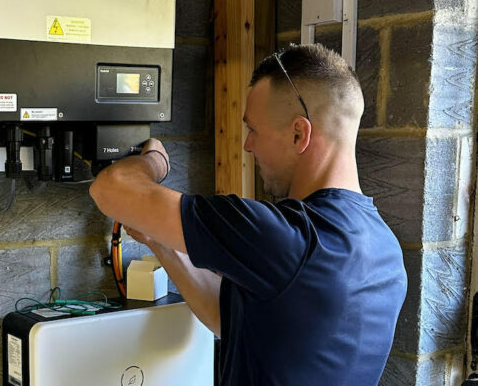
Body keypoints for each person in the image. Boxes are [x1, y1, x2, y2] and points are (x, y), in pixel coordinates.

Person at [89, 43, 407, 385]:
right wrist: (160, 241)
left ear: (299, 133)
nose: (247, 146)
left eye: (253, 130)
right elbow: (229, 319)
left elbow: (109, 188)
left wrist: (156, 162)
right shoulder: (385, 249)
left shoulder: (285, 237)